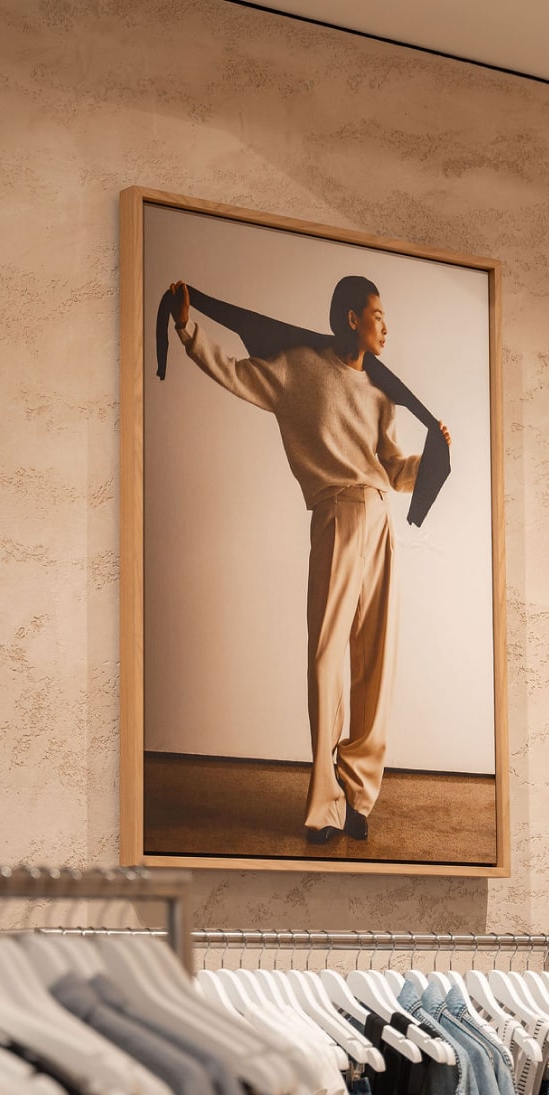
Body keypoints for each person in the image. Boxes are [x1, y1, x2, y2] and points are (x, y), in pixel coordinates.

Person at [168, 276, 451, 845]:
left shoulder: (379, 393)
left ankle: (359, 796)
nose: (385, 326)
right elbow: (236, 374)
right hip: (337, 514)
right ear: (351, 317)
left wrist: (433, 459)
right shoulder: (298, 368)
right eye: (377, 314)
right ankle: (323, 803)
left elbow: (393, 470)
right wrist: (186, 328)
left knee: (377, 661)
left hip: (379, 522)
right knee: (327, 659)